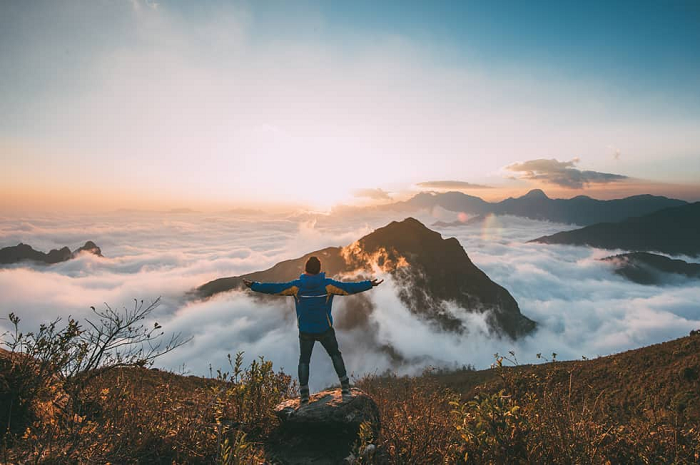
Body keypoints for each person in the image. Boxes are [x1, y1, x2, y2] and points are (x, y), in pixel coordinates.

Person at [243, 256, 382, 404]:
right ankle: (345, 387)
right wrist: (369, 284)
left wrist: (254, 285)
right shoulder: (327, 285)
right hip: (325, 329)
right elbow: (348, 288)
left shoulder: (297, 286)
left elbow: (275, 289)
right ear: (319, 269)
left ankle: (304, 395)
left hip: (305, 331)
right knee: (335, 355)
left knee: (304, 361)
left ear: (306, 269)